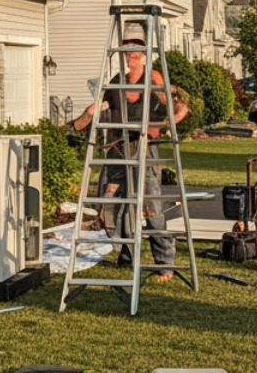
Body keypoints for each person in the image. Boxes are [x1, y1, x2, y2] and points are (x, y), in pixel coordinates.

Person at [72, 37, 191, 281]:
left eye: (136, 53)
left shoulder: (153, 79)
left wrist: (164, 124)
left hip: (143, 148)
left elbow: (179, 108)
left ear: (144, 56)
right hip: (118, 149)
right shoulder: (118, 83)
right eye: (127, 53)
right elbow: (98, 107)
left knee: (151, 206)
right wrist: (84, 119)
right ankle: (126, 253)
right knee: (111, 202)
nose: (131, 57)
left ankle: (164, 262)